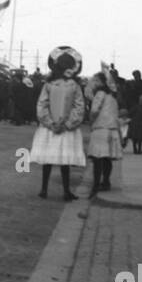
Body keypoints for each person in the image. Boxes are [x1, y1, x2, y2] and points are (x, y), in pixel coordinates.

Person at [31, 47, 86, 200]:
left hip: (49, 128)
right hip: (67, 129)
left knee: (47, 160)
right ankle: (66, 191)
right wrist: (68, 123)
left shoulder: (48, 84)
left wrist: (49, 122)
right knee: (65, 161)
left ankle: (44, 190)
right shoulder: (74, 85)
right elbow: (79, 106)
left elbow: (41, 105)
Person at [85, 67, 123, 192]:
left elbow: (95, 110)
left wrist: (91, 120)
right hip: (112, 129)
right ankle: (106, 182)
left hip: (100, 128)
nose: (93, 83)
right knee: (107, 159)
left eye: (95, 80)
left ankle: (96, 184)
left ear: (100, 82)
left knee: (98, 158)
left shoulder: (99, 94)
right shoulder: (112, 97)